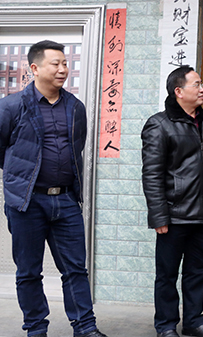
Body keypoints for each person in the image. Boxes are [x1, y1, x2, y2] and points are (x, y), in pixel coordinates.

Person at [0, 40, 106, 337]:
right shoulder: (11, 106)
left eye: (65, 63)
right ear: (34, 68)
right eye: (55, 64)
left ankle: (85, 327)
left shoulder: (75, 107)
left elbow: (76, 148)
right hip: (27, 202)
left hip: (66, 201)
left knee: (75, 269)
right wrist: (20, 177)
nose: (63, 69)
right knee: (29, 271)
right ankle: (36, 329)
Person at [141, 66, 203, 337]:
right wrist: (159, 216)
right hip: (174, 215)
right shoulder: (159, 124)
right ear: (178, 91)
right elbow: (152, 174)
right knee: (167, 274)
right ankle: (166, 325)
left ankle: (194, 322)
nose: (202, 89)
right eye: (196, 84)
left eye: (202, 84)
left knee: (197, 271)